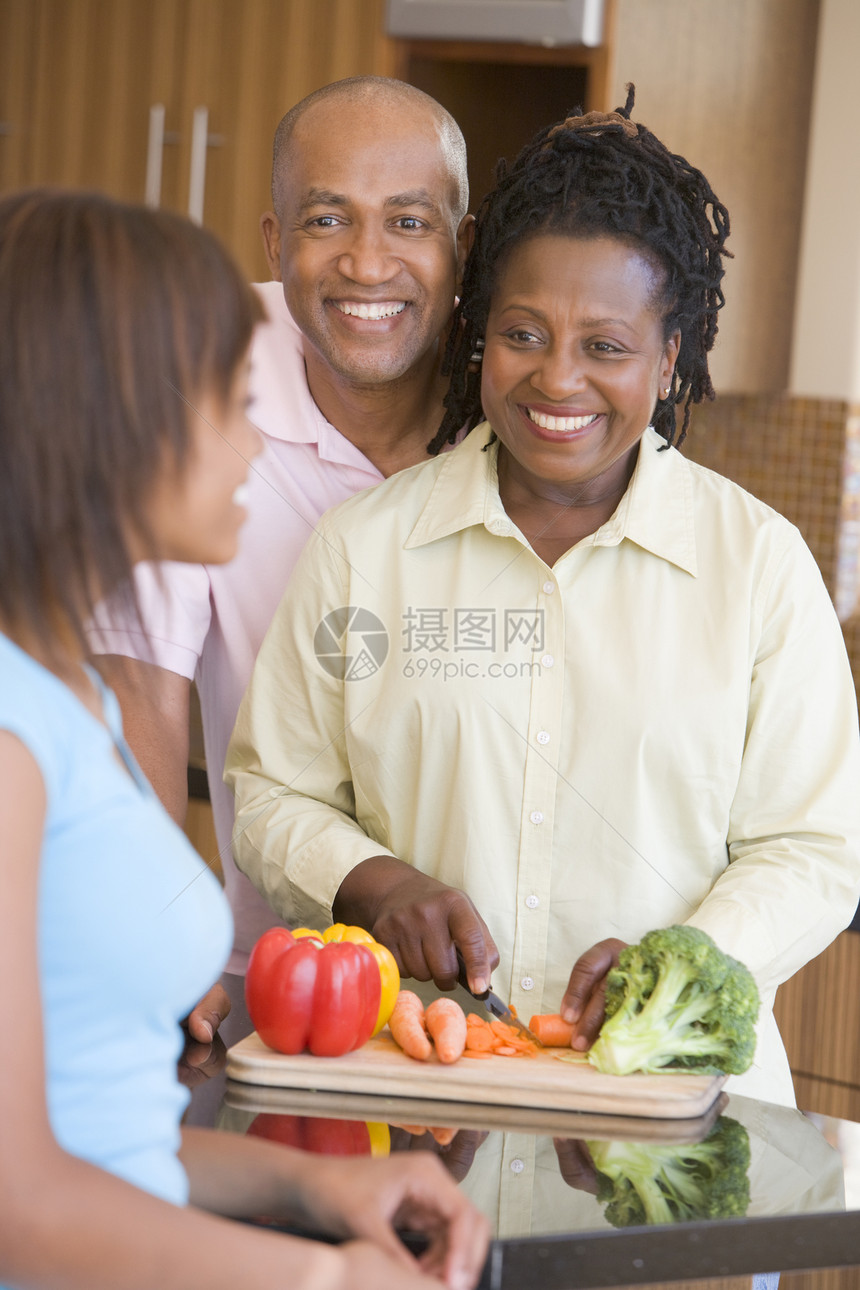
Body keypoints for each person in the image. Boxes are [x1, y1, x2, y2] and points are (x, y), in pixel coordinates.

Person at [225, 89, 860, 1110]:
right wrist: (372, 881)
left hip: (678, 1118)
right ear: (481, 333)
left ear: (665, 359)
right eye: (523, 333)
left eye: (603, 347)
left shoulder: (757, 570)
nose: (555, 380)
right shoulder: (362, 551)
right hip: (417, 1102)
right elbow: (271, 791)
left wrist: (684, 958)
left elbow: (814, 848)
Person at [0, 188, 489, 1290]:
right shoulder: (9, 734)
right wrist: (328, 1280)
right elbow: (18, 1203)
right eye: (229, 402)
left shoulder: (68, 694)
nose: (253, 443)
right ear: (102, 420)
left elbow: (105, 1137)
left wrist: (317, 1191)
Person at [90, 75, 474, 1044]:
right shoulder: (197, 379)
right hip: (271, 985)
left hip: (482, 992)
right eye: (326, 219)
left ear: (461, 245)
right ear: (274, 244)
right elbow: (142, 700)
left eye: (408, 223)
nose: (366, 263)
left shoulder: (519, 388)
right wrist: (159, 947)